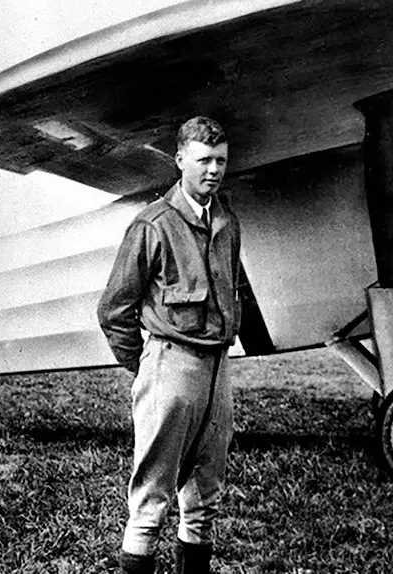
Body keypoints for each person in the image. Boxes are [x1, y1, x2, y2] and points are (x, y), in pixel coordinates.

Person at [98, 116, 242, 574]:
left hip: (218, 369)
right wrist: (145, 368)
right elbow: (114, 310)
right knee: (152, 500)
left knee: (204, 497)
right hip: (171, 367)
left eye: (220, 160)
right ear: (180, 160)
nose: (213, 170)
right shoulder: (153, 224)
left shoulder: (226, 221)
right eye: (203, 160)